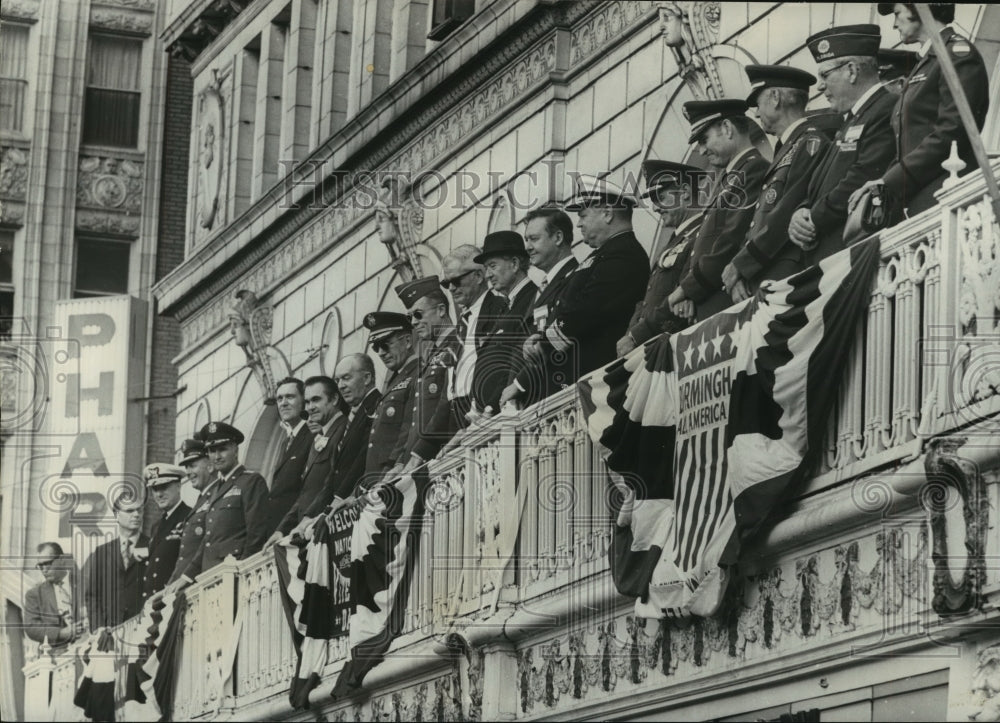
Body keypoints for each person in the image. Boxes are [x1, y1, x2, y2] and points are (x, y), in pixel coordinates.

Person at [855, 3, 989, 217]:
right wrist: (883, 182)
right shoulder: (927, 62)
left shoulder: (956, 54)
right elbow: (906, 145)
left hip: (945, 193)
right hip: (918, 195)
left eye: (898, 13)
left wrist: (891, 180)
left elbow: (952, 131)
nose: (894, 24)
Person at [722, 65, 833, 301]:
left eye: (758, 103)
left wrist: (742, 263)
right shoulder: (789, 146)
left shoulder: (809, 141)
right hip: (766, 273)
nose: (756, 113)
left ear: (775, 98)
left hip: (786, 271)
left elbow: (786, 208)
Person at [788, 24, 896, 264]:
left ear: (851, 71)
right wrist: (802, 210)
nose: (819, 86)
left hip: (851, 252)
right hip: (831, 253)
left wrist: (813, 218)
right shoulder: (853, 118)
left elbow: (863, 175)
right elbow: (820, 181)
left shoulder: (885, 108)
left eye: (825, 75)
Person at [669, 99, 769, 321]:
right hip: (712, 304)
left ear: (727, 128)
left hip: (727, 302)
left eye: (704, 140)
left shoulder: (752, 168)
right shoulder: (727, 179)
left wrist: (688, 288)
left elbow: (730, 238)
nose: (702, 151)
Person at [544, 176, 649, 377]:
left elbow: (586, 310)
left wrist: (543, 343)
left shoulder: (624, 254)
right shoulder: (605, 253)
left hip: (601, 372)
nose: (579, 224)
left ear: (607, 213)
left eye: (583, 216)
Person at [618, 160, 702, 357]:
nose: (655, 208)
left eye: (661, 198)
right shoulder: (673, 242)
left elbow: (679, 296)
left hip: (677, 348)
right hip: (653, 347)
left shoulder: (700, 234)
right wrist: (630, 334)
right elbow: (647, 300)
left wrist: (637, 336)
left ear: (685, 192)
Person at [499, 206, 579, 407]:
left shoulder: (575, 279)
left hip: (559, 397)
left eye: (534, 239)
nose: (527, 247)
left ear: (558, 238)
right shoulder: (544, 286)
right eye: (526, 240)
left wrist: (520, 383)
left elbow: (564, 340)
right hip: (536, 401)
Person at [268, 375, 349, 541]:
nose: (310, 407)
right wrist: (282, 529)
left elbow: (330, 484)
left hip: (324, 526)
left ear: (334, 399)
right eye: (308, 402)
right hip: (305, 529)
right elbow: (306, 492)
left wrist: (306, 519)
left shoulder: (340, 429)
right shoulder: (304, 439)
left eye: (290, 397)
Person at [301, 354, 382, 516]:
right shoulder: (355, 415)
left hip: (361, 506)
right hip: (340, 509)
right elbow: (334, 475)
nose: (341, 386)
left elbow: (362, 461)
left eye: (346, 378)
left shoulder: (377, 406)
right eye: (337, 381)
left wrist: (337, 500)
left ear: (366, 378)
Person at [395, 276, 464, 467]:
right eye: (410, 318)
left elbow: (447, 406)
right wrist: (402, 461)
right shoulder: (433, 353)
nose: (414, 323)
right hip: (419, 461)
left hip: (441, 457)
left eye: (418, 315)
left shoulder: (457, 344)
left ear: (441, 310)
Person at [440, 245, 509, 424]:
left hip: (484, 413)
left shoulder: (500, 309)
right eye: (447, 284)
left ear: (478, 276)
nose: (452, 289)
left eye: (456, 281)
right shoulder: (461, 325)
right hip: (455, 417)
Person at [473, 231, 539, 412]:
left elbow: (518, 360)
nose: (488, 275)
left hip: (516, 408)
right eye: (486, 268)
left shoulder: (534, 298)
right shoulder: (507, 306)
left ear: (515, 264)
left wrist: (490, 407)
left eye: (492, 266)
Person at [193, 421, 269, 573]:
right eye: (212, 451)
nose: (217, 456)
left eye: (222, 449)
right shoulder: (215, 489)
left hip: (234, 573)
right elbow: (209, 540)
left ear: (235, 449)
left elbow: (257, 534)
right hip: (210, 575)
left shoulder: (250, 481)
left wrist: (243, 571)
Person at [82, 489, 149, 630]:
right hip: (109, 632)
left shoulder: (153, 546)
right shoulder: (102, 552)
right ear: (117, 515)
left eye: (139, 510)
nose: (136, 515)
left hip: (143, 628)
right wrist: (98, 628)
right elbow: (92, 595)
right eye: (130, 511)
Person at [260, 377, 314, 538]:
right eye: (279, 398)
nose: (283, 403)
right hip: (281, 531)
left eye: (290, 397)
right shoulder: (285, 443)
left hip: (300, 529)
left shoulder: (312, 434)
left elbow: (309, 488)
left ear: (304, 401)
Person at [141, 463, 191, 599]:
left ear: (179, 486)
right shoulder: (156, 526)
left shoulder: (190, 517)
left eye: (164, 487)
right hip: (155, 602)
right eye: (154, 489)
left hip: (175, 598)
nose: (159, 494)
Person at [168, 438, 213, 586]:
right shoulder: (201, 500)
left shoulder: (217, 495)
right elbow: (185, 556)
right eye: (187, 467)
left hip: (200, 583)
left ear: (210, 464)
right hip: (184, 584)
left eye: (193, 466)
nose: (188, 472)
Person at [24, 542, 82, 645]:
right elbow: (31, 627)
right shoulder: (35, 594)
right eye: (40, 566)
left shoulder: (85, 582)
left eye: (48, 564)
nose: (44, 570)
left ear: (62, 560)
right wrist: (60, 633)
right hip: (59, 652)